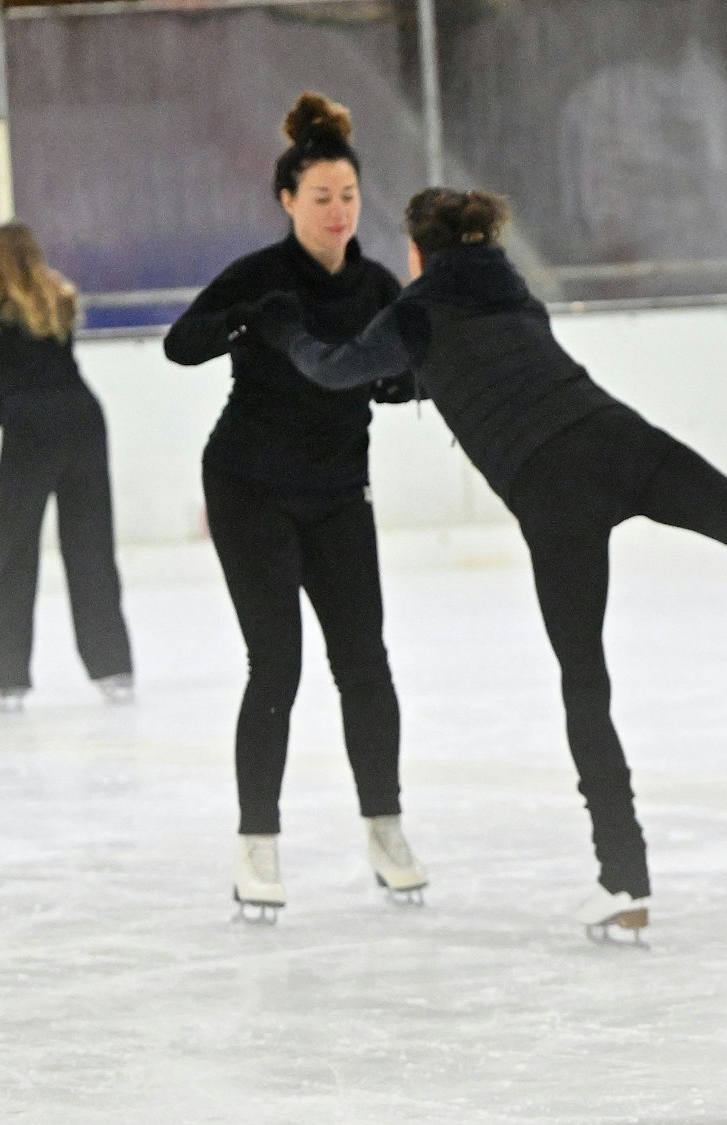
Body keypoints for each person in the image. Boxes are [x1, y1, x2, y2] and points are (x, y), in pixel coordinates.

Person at [231, 187, 727, 943]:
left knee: (586, 684)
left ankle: (624, 877)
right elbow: (483, 364)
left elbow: (331, 369)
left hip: (554, 491)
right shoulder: (517, 297)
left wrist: (284, 326)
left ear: (418, 253)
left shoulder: (415, 313)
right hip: (617, 437)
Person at [162, 93, 423, 923]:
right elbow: (180, 344)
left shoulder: (377, 286)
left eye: (348, 195)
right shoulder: (260, 274)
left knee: (365, 662)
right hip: (250, 489)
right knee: (276, 664)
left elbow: (412, 370)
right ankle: (257, 843)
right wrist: (246, 321)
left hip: (339, 493)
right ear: (287, 200)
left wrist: (399, 381)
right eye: (320, 197)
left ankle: (385, 828)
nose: (338, 211)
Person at [0, 223, 135, 714]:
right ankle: (113, 668)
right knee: (91, 547)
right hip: (82, 418)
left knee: (15, 551)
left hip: (29, 427)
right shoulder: (57, 294)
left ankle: (11, 679)